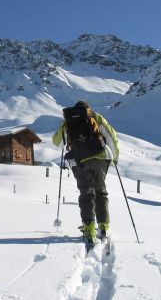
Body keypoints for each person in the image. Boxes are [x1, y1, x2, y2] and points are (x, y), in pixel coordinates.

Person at [52, 100, 119, 248]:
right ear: (88, 108)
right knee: (101, 192)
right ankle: (103, 226)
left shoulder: (69, 121)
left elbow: (56, 141)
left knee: (86, 193)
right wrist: (115, 158)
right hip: (100, 159)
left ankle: (88, 229)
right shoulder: (96, 117)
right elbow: (111, 136)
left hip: (79, 160)